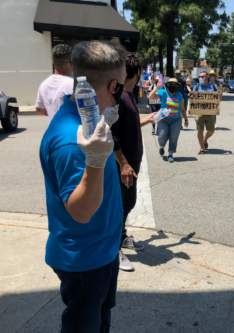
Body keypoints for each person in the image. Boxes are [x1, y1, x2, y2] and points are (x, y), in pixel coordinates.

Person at [39, 40, 126, 332]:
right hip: (86, 260)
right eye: (123, 86)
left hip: (101, 250)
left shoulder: (88, 119)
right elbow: (81, 211)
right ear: (113, 85)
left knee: (99, 318)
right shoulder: (71, 139)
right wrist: (96, 161)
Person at [112, 54, 154, 272]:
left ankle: (122, 237)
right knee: (121, 205)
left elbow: (127, 125)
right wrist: (123, 164)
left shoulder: (128, 95)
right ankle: (114, 249)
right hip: (124, 165)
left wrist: (145, 120)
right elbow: (112, 133)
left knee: (128, 203)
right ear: (136, 73)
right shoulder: (118, 96)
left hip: (131, 162)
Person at [149, 78, 188, 162]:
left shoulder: (179, 95)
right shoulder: (163, 92)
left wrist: (186, 119)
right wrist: (156, 88)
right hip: (163, 119)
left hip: (176, 120)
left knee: (174, 137)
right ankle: (162, 146)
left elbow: (182, 108)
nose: (173, 86)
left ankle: (170, 154)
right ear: (167, 84)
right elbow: (150, 96)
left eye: (175, 84)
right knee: (162, 136)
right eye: (171, 84)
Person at [36, 44, 74, 122]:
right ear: (69, 63)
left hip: (54, 131)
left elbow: (39, 110)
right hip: (74, 132)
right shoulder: (74, 84)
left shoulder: (44, 85)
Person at [193, 71, 218, 154]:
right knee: (200, 130)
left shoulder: (213, 86)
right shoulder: (196, 86)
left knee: (211, 130)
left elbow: (218, 97)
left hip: (210, 111)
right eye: (200, 76)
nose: (202, 78)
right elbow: (192, 97)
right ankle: (202, 148)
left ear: (207, 77)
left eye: (203, 76)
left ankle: (204, 140)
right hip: (199, 111)